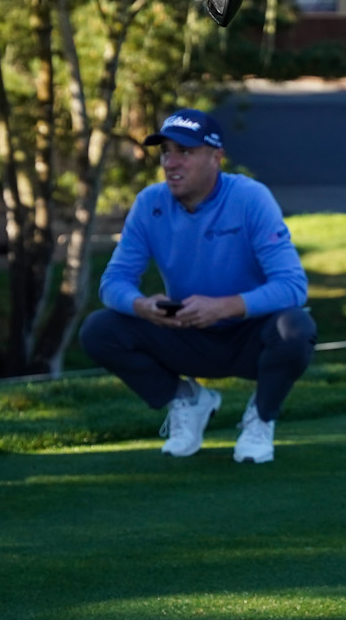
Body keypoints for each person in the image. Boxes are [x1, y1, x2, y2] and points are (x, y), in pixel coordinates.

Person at [80, 109, 314, 464]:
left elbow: (294, 286)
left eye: (185, 152)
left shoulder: (250, 197)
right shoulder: (149, 203)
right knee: (99, 330)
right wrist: (142, 306)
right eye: (166, 152)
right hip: (185, 331)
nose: (171, 163)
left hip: (250, 337)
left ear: (216, 157)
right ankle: (187, 400)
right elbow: (113, 282)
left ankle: (261, 418)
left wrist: (224, 306)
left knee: (295, 326)